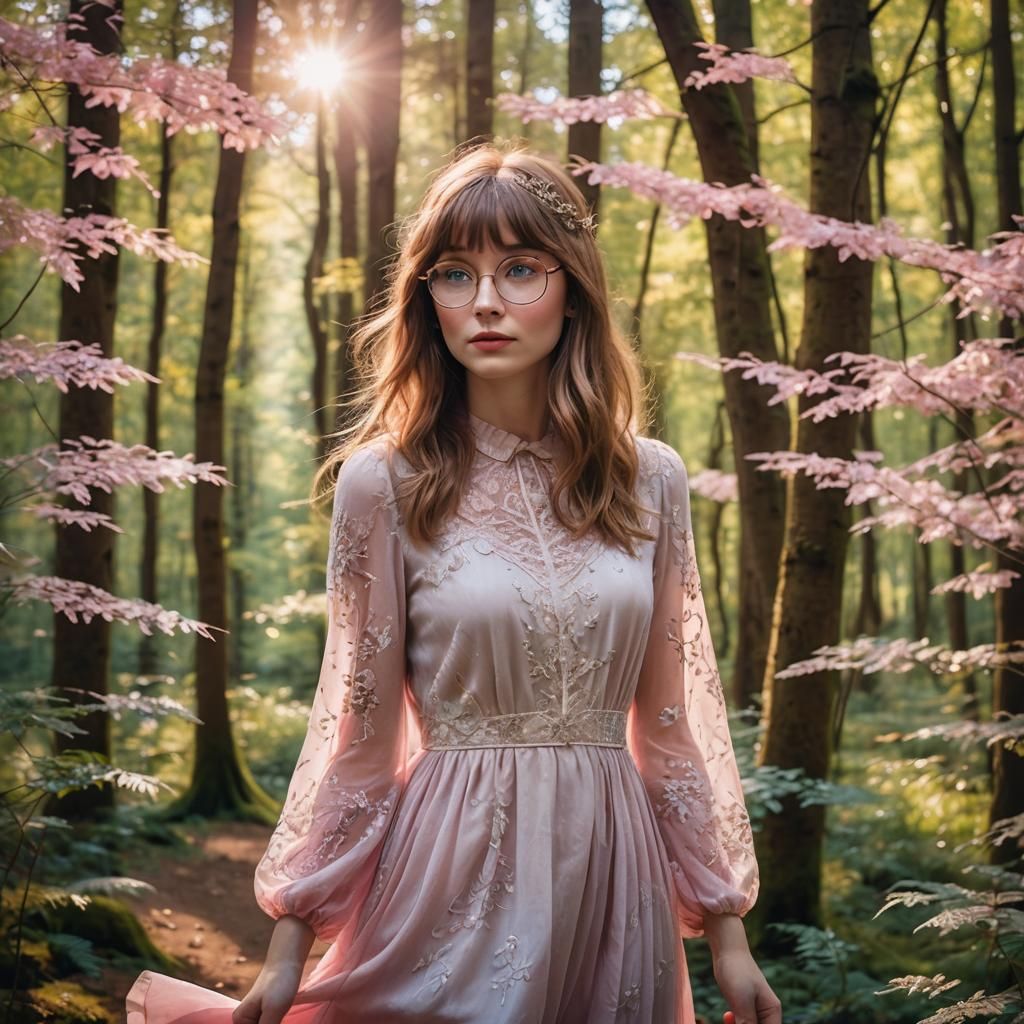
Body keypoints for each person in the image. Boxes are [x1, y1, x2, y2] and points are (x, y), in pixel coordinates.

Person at [125, 142, 781, 1024]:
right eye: (452, 273)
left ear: (574, 286)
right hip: (452, 870)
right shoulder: (383, 484)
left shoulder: (651, 479)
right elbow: (357, 740)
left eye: (519, 270)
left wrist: (729, 939)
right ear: (424, 296)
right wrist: (289, 949)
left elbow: (670, 731)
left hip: (613, 881)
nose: (483, 303)